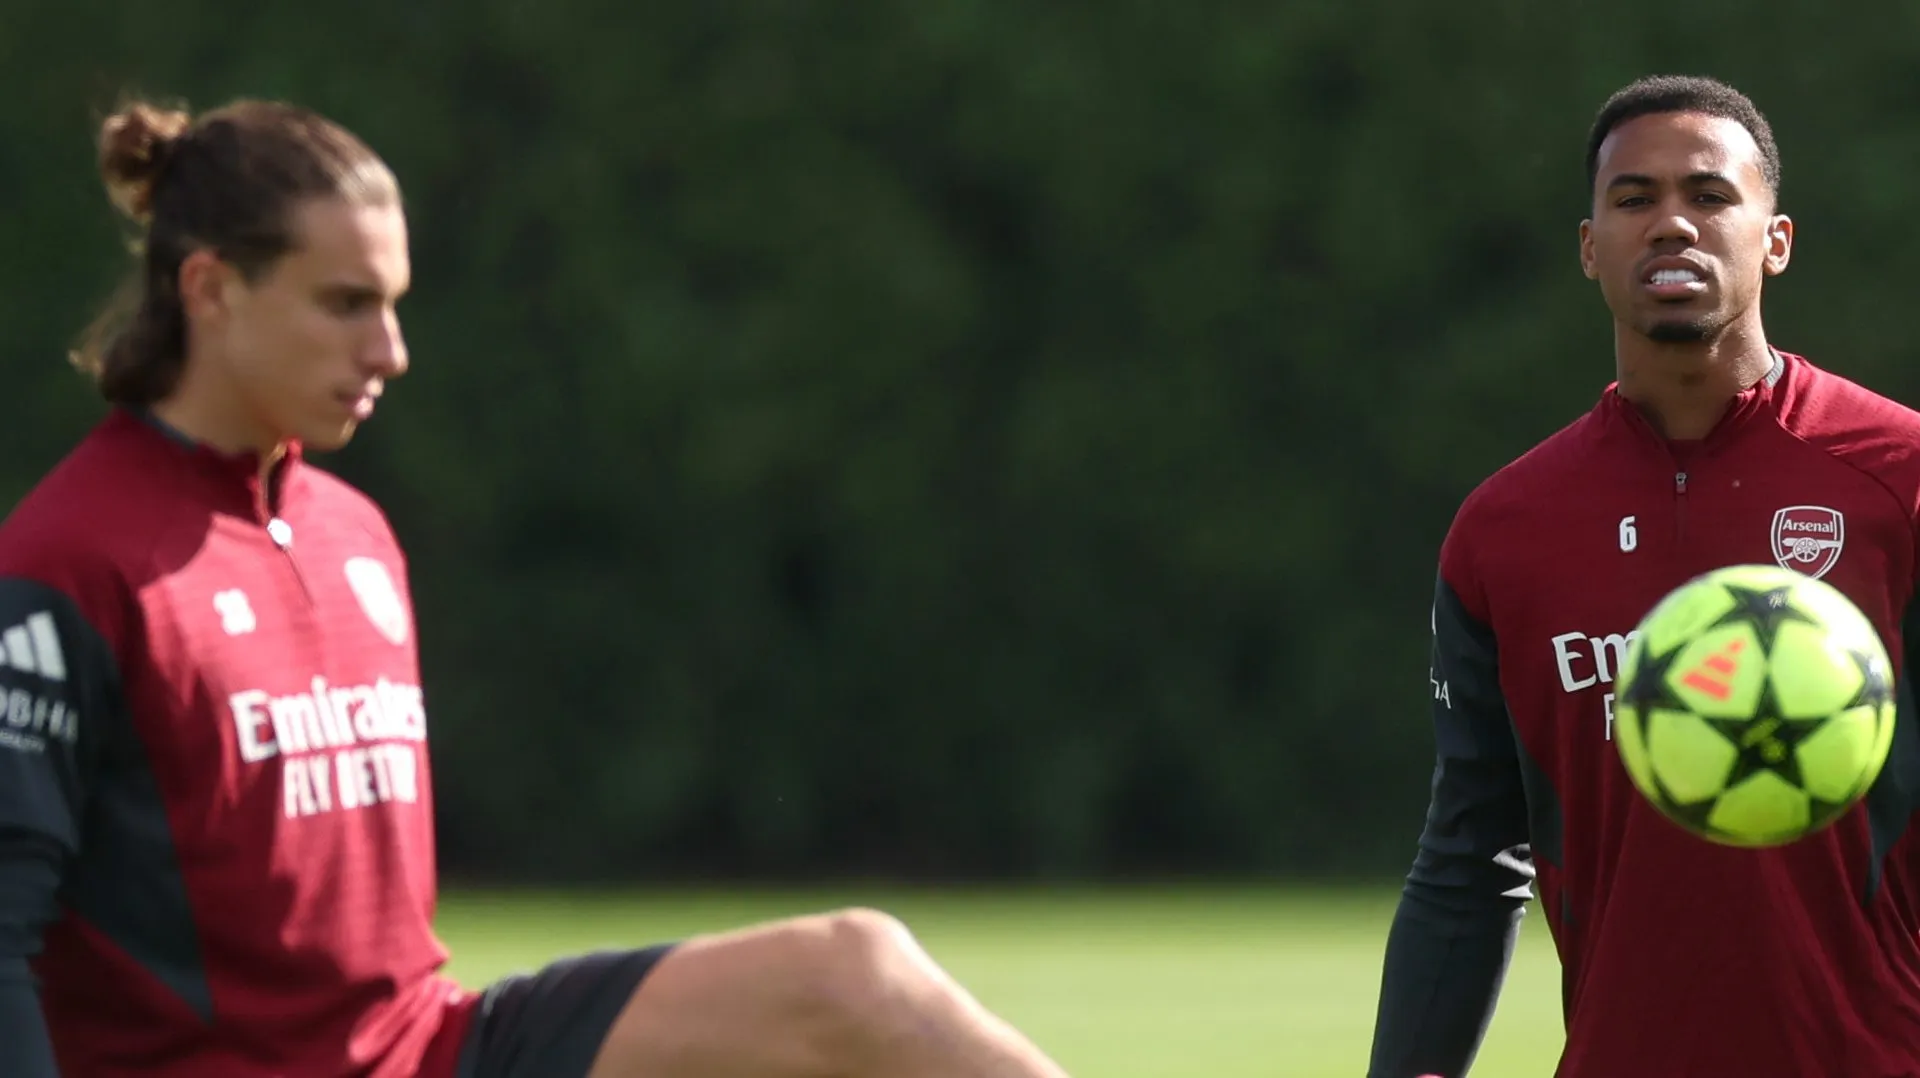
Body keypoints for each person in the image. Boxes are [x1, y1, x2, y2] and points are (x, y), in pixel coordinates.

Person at [0, 96, 1074, 1078]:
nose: (393, 350)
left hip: (432, 1046)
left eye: (395, 305)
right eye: (346, 304)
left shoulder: (354, 534)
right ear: (210, 289)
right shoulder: (68, 561)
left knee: (858, 972)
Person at [1366, 74, 1920, 1077]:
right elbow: (1469, 860)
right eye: (1635, 199)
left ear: (1776, 238)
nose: (1673, 223)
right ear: (1591, 249)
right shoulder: (1505, 531)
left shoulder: (1901, 480)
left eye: (1710, 196)